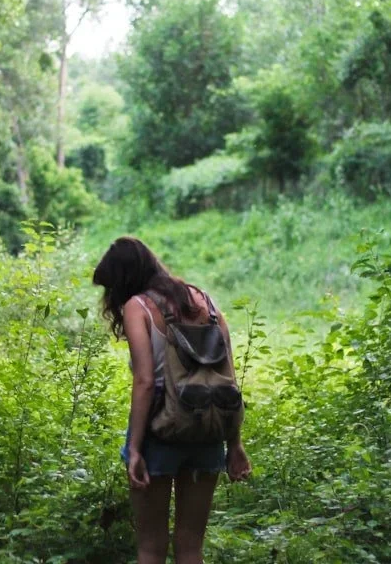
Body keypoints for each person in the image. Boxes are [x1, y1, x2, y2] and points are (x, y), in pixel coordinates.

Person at [93, 236, 251, 564]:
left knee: (151, 546)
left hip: (160, 431)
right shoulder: (204, 302)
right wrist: (233, 443)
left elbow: (145, 381)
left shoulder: (139, 306)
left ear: (123, 279)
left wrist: (135, 449)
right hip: (207, 430)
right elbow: (228, 382)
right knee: (191, 546)